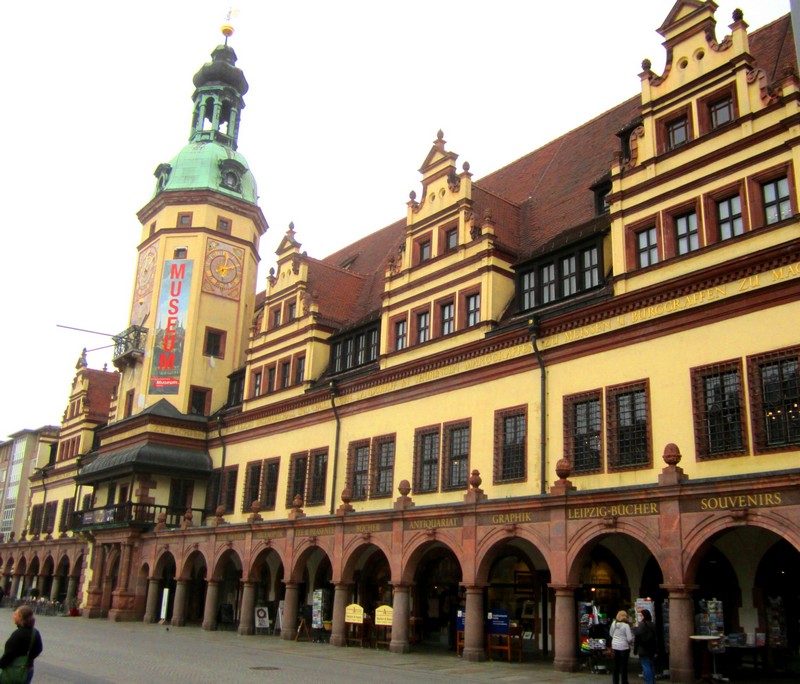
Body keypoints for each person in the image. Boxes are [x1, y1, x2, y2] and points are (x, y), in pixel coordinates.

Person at [0, 605, 43, 683]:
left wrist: (1, 664)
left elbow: (9, 655)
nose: (13, 616)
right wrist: (29, 658)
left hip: (13, 671)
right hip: (27, 669)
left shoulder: (18, 634)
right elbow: (39, 649)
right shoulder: (35, 633)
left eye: (15, 615)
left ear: (21, 618)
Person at [608, 609, 634, 684]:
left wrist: (616, 638)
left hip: (615, 646)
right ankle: (624, 681)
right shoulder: (626, 626)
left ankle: (615, 681)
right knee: (624, 666)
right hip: (624, 647)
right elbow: (629, 638)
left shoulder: (614, 624)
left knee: (616, 665)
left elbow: (610, 634)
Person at [633, 608, 657, 684]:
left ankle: (649, 682)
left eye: (641, 615)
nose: (640, 617)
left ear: (644, 616)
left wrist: (635, 628)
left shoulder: (642, 624)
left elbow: (638, 635)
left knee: (645, 665)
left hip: (643, 648)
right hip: (651, 647)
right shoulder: (652, 624)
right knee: (651, 664)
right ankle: (652, 681)